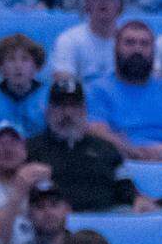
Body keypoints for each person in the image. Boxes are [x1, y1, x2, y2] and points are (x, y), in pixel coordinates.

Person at [87, 21, 162, 163]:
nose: (137, 49)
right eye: (129, 43)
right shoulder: (97, 89)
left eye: (144, 44)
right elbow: (95, 130)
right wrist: (131, 150)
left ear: (153, 50)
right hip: (117, 160)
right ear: (116, 48)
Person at [27, 75, 144, 213]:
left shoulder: (106, 149)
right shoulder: (31, 149)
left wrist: (138, 200)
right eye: (60, 106)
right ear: (48, 112)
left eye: (73, 106)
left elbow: (127, 191)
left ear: (84, 111)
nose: (67, 113)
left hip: (105, 223)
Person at [50, 0, 126, 86]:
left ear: (120, 4)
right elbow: (63, 86)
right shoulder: (69, 40)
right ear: (86, 2)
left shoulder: (132, 42)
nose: (103, 1)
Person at [0, 35, 49, 149]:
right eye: (11, 59)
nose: (18, 66)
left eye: (25, 59)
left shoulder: (50, 96)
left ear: (36, 66)